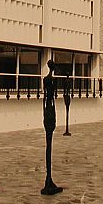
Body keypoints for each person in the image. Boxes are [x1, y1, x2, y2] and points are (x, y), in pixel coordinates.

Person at [41, 60, 63, 195]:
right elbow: (53, 98)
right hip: (51, 110)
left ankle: (48, 178)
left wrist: (44, 111)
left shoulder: (45, 79)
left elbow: (45, 98)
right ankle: (48, 178)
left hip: (46, 110)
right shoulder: (53, 80)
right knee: (49, 143)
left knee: (48, 144)